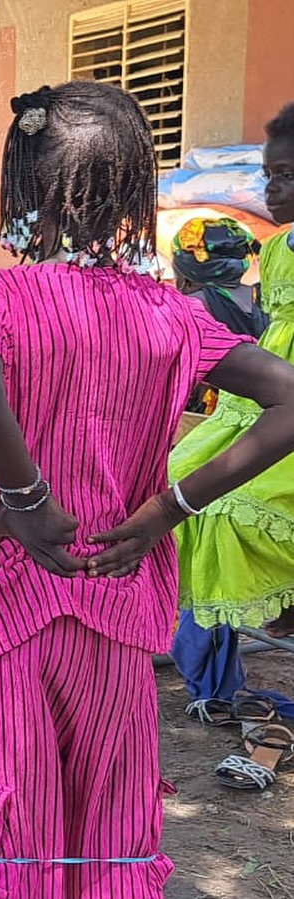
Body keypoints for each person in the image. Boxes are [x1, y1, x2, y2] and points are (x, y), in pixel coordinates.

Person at [0, 82, 294, 898]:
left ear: (27, 186)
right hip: (121, 592)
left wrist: (27, 501)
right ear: (133, 193)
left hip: (11, 599)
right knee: (109, 788)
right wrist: (170, 508)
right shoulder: (170, 314)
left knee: (11, 791)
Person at [169, 103, 294, 639]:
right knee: (181, 484)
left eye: (288, 175)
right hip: (269, 386)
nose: (274, 188)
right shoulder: (274, 250)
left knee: (248, 508)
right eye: (269, 175)